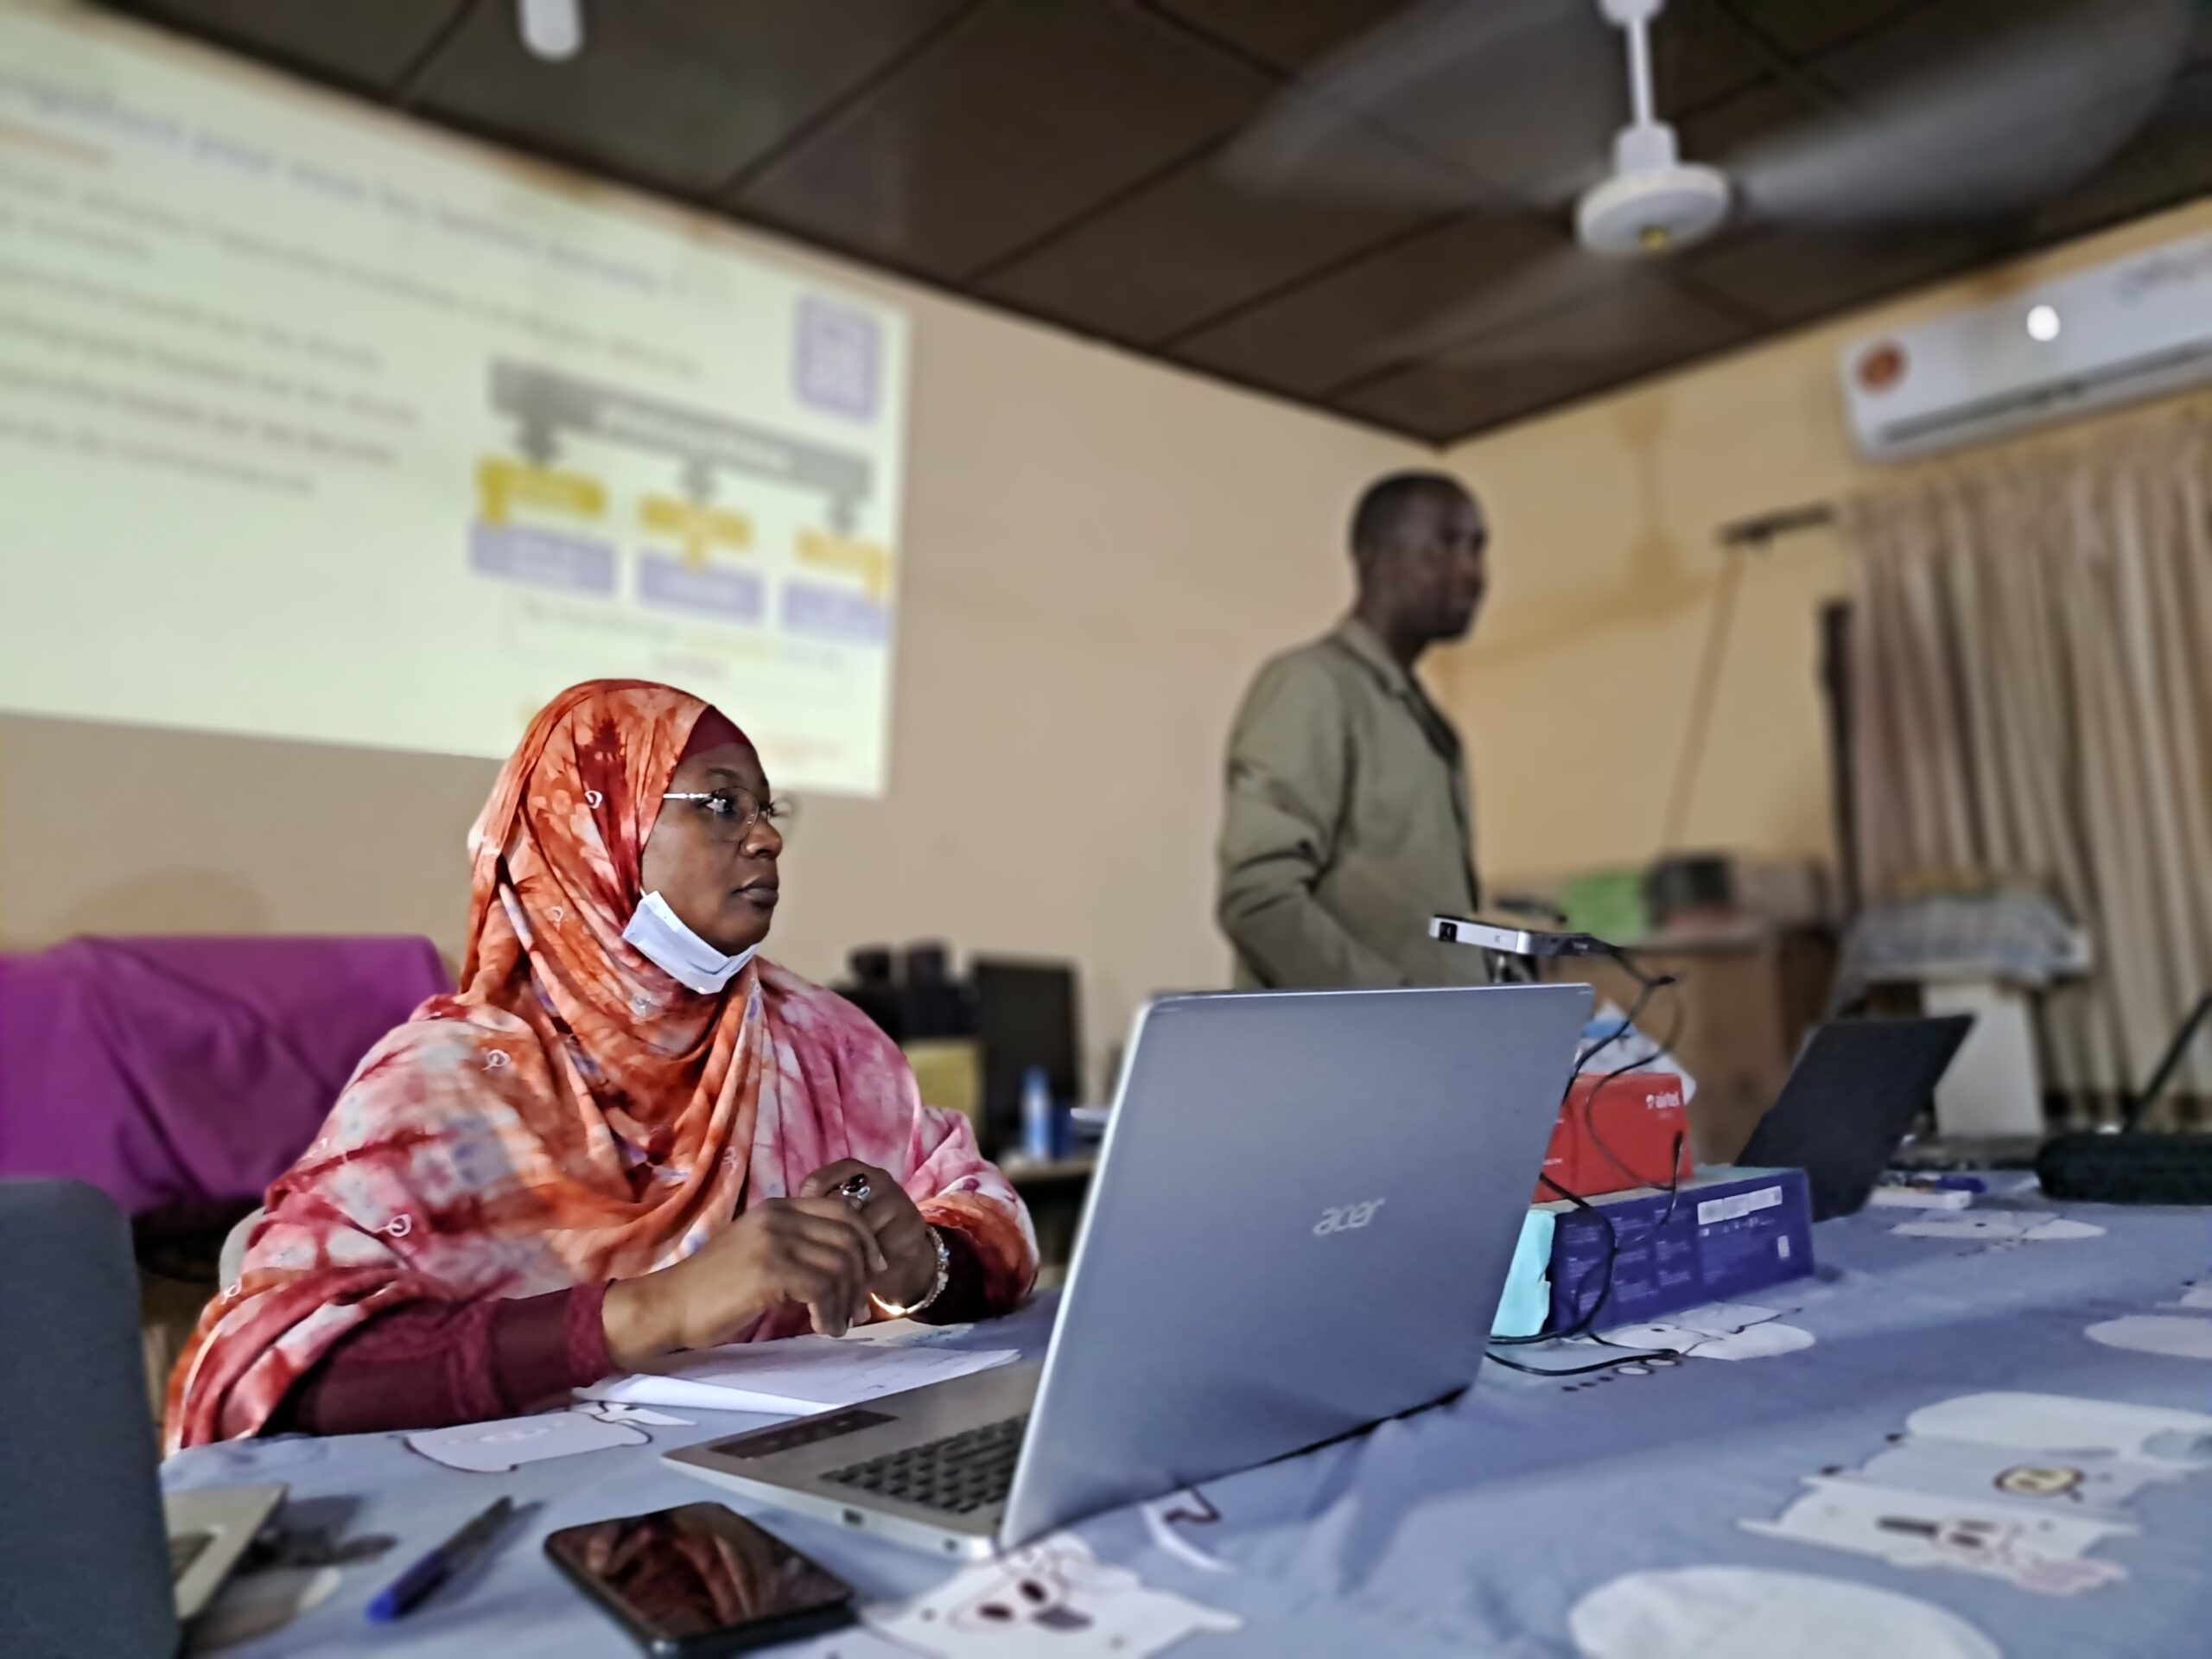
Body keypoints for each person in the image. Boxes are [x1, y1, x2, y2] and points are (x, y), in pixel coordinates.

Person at [166, 681, 1035, 1446]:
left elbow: (980, 1214)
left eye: (769, 809)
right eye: (722, 804)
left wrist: (924, 1266)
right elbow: (263, 1371)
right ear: (590, 831)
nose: (766, 838)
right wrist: (655, 1308)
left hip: (791, 1488)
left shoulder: (825, 1047)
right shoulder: (450, 1085)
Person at [1217, 471, 1489, 989]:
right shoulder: (1311, 686)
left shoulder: (1421, 719)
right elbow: (1258, 899)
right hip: (1346, 1060)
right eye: (1445, 545)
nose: (1471, 572)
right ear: (1373, 557)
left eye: (1477, 548)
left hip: (1426, 1052)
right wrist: (1396, 1010)